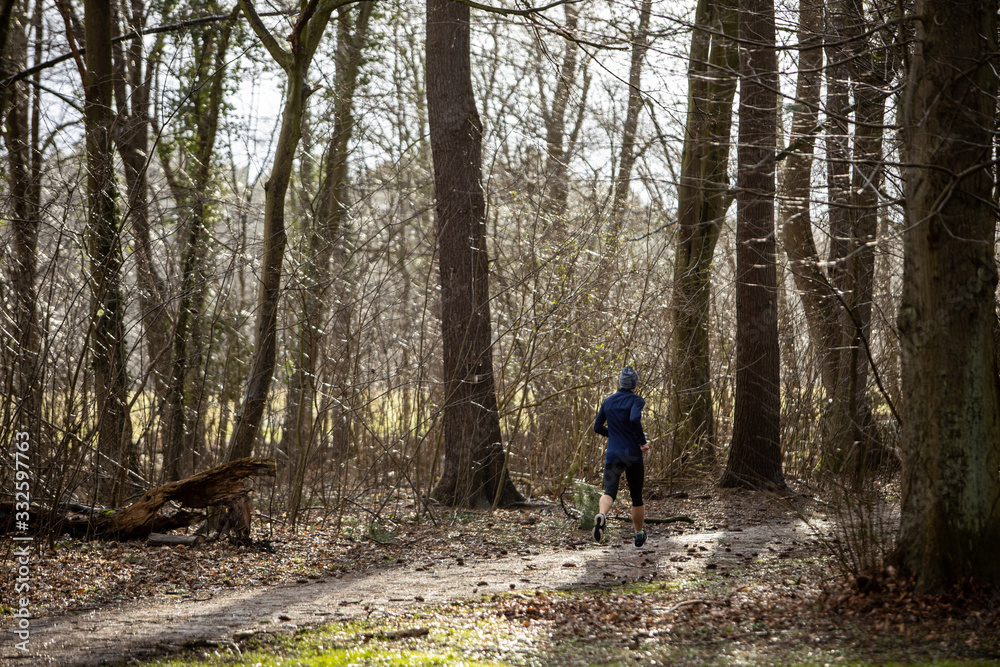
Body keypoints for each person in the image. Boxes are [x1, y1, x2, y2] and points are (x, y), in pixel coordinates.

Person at [592, 365, 649, 548]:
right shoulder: (637, 400)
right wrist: (641, 441)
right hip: (632, 454)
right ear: (635, 384)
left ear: (620, 382)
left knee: (609, 491)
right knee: (636, 496)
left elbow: (597, 427)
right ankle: (639, 535)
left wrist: (615, 434)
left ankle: (602, 515)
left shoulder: (608, 402)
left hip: (614, 454)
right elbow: (633, 419)